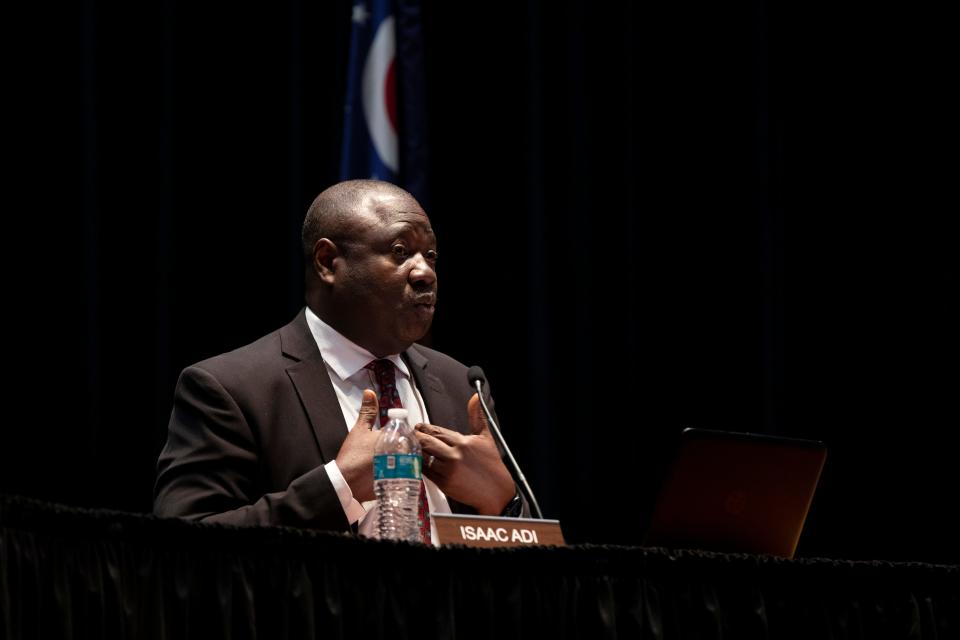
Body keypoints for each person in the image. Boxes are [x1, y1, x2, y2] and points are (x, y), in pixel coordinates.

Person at [154, 179, 525, 541]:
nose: (425, 272)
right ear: (328, 261)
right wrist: (338, 488)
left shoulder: (463, 385)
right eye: (399, 251)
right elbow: (180, 550)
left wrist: (503, 502)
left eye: (430, 256)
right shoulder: (232, 388)